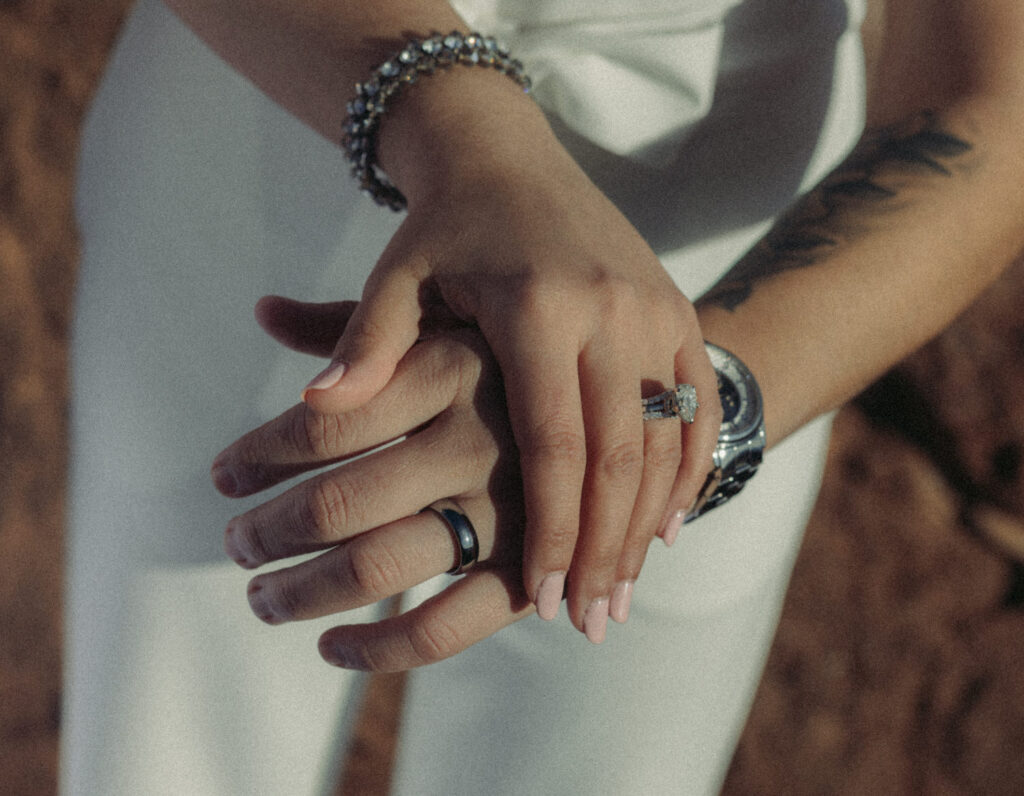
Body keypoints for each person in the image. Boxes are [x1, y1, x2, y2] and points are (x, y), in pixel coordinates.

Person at [63, 0, 1024, 793]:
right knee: (174, 755)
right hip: (275, 113)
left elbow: (994, 95)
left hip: (729, 290)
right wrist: (466, 140)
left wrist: (665, 417)